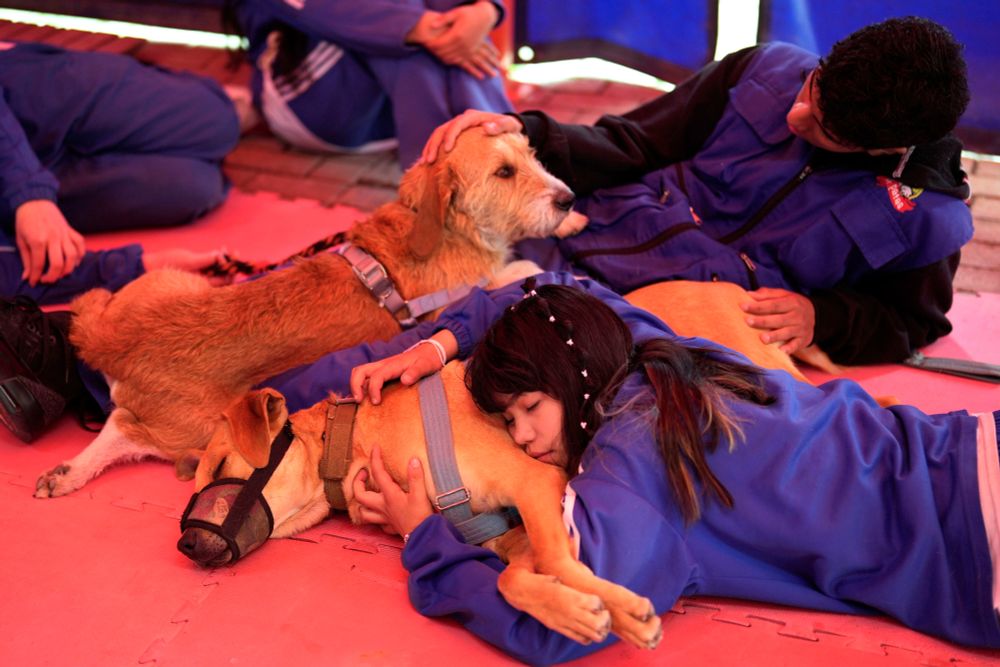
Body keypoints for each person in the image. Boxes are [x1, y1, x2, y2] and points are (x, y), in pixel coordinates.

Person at [345, 274, 1000, 665]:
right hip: (966, 439)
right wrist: (441, 342)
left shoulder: (628, 472)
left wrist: (425, 537)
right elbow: (555, 291)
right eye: (507, 419)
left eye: (529, 408)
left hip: (972, 546)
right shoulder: (651, 348)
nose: (521, 437)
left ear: (572, 377)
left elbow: (555, 630)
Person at [420, 16, 974, 366]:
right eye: (814, 85)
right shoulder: (763, 68)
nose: (796, 113)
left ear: (881, 149)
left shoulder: (926, 217)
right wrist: (528, 133)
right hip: (590, 235)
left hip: (670, 327)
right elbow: (634, 142)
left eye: (823, 128)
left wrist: (820, 317)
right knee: (433, 305)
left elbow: (912, 323)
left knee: (496, 362)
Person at [0, 40, 242, 303]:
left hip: (23, 97)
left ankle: (236, 108)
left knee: (218, 122)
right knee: (198, 187)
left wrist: (29, 193)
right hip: (18, 203)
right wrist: (140, 268)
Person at [222, 0, 514, 168]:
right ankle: (460, 177)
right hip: (308, 103)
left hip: (385, 115)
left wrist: (484, 10)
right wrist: (415, 26)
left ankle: (494, 157)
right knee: (410, 36)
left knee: (453, 22)